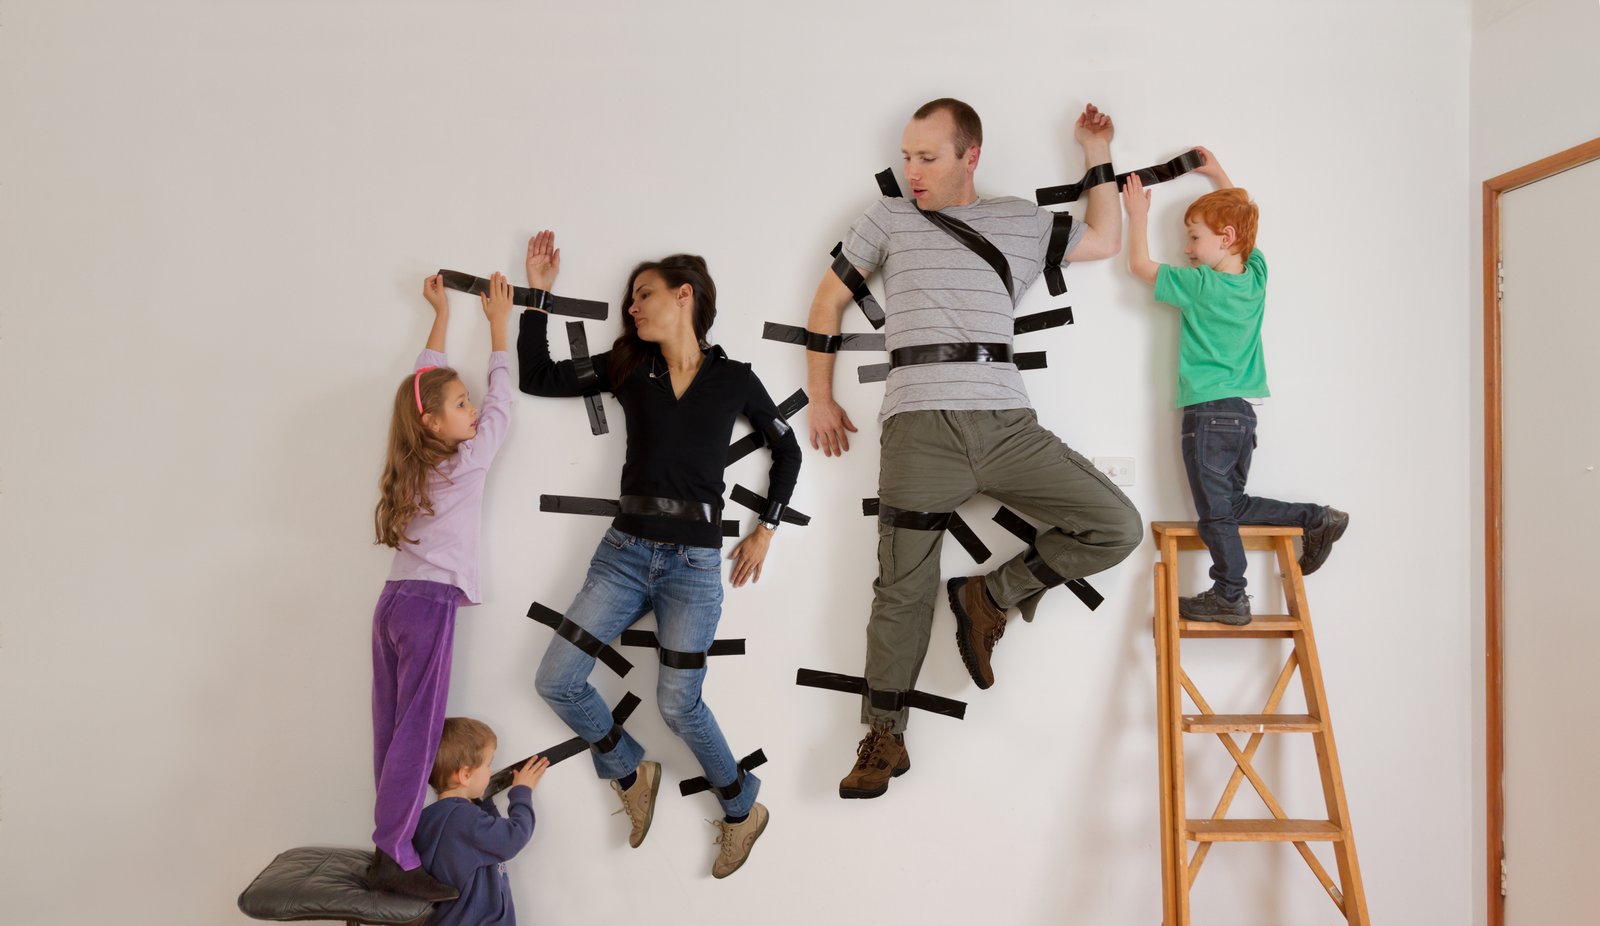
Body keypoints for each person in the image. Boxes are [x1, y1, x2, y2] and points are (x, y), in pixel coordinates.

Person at [804, 97, 1143, 799]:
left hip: (1005, 425)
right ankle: (883, 736)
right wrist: (820, 394)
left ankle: (992, 594)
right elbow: (827, 302)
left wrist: (1095, 152)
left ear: (970, 156)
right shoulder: (888, 217)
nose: (912, 171)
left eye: (927, 158)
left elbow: (1106, 240)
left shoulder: (1018, 221)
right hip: (918, 430)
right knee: (900, 591)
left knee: (1117, 525)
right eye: (906, 156)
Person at [519, 231, 800, 878]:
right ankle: (627, 767)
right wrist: (538, 297)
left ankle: (742, 807)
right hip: (622, 555)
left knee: (679, 704)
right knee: (555, 678)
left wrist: (767, 528)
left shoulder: (735, 379)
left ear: (684, 296)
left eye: (642, 295)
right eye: (628, 300)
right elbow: (537, 376)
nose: (632, 309)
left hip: (695, 567)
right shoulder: (627, 367)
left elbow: (787, 450)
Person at [1122, 148, 1347, 625]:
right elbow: (1247, 228)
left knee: (1216, 514)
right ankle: (1315, 518)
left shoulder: (1202, 284)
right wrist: (1216, 175)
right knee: (1233, 505)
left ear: (1224, 238)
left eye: (1193, 237)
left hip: (1207, 412)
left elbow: (1140, 266)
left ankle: (1230, 594)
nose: (1186, 248)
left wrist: (1136, 215)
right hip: (1243, 414)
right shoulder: (1256, 279)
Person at [368, 272, 516, 900]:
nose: (474, 408)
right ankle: (394, 853)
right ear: (433, 423)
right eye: (461, 406)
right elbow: (503, 411)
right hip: (428, 606)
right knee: (419, 734)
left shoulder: (415, 460)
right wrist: (499, 329)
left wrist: (438, 321)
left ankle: (393, 842)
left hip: (393, 602)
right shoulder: (464, 460)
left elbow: (424, 389)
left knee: (394, 729)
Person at [382, 718, 553, 926]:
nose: (491, 772)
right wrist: (521, 793)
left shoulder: (442, 816)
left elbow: (489, 836)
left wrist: (483, 801)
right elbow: (512, 837)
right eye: (489, 765)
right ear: (464, 775)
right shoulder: (463, 822)